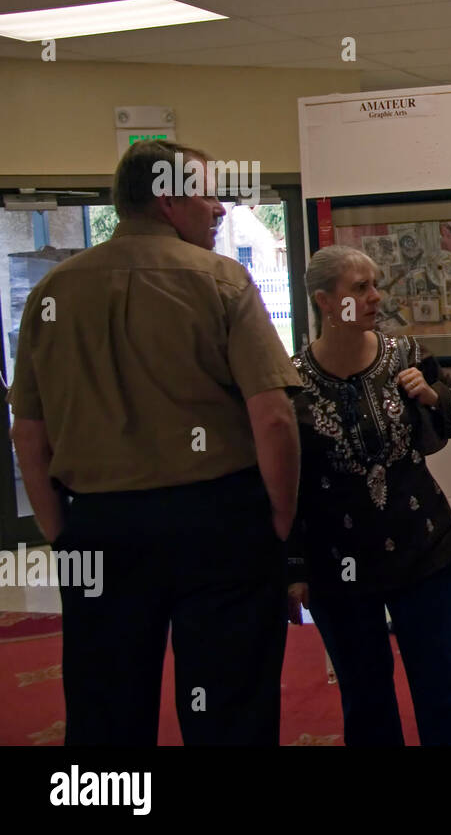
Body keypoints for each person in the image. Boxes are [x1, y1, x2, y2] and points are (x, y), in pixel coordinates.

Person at [8, 138, 301, 745]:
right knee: (230, 702)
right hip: (218, 520)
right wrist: (279, 516)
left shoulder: (53, 292)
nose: (220, 209)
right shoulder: (222, 282)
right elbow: (273, 417)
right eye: (208, 194)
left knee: (104, 702)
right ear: (167, 199)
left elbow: (27, 434)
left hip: (99, 522)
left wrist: (62, 531)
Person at [286, 245, 451, 746]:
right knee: (365, 691)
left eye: (375, 285)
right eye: (360, 288)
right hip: (339, 561)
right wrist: (293, 568)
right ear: (325, 301)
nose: (375, 297)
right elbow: (289, 482)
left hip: (421, 544)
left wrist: (433, 396)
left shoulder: (406, 355)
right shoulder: (293, 384)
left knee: (445, 683)